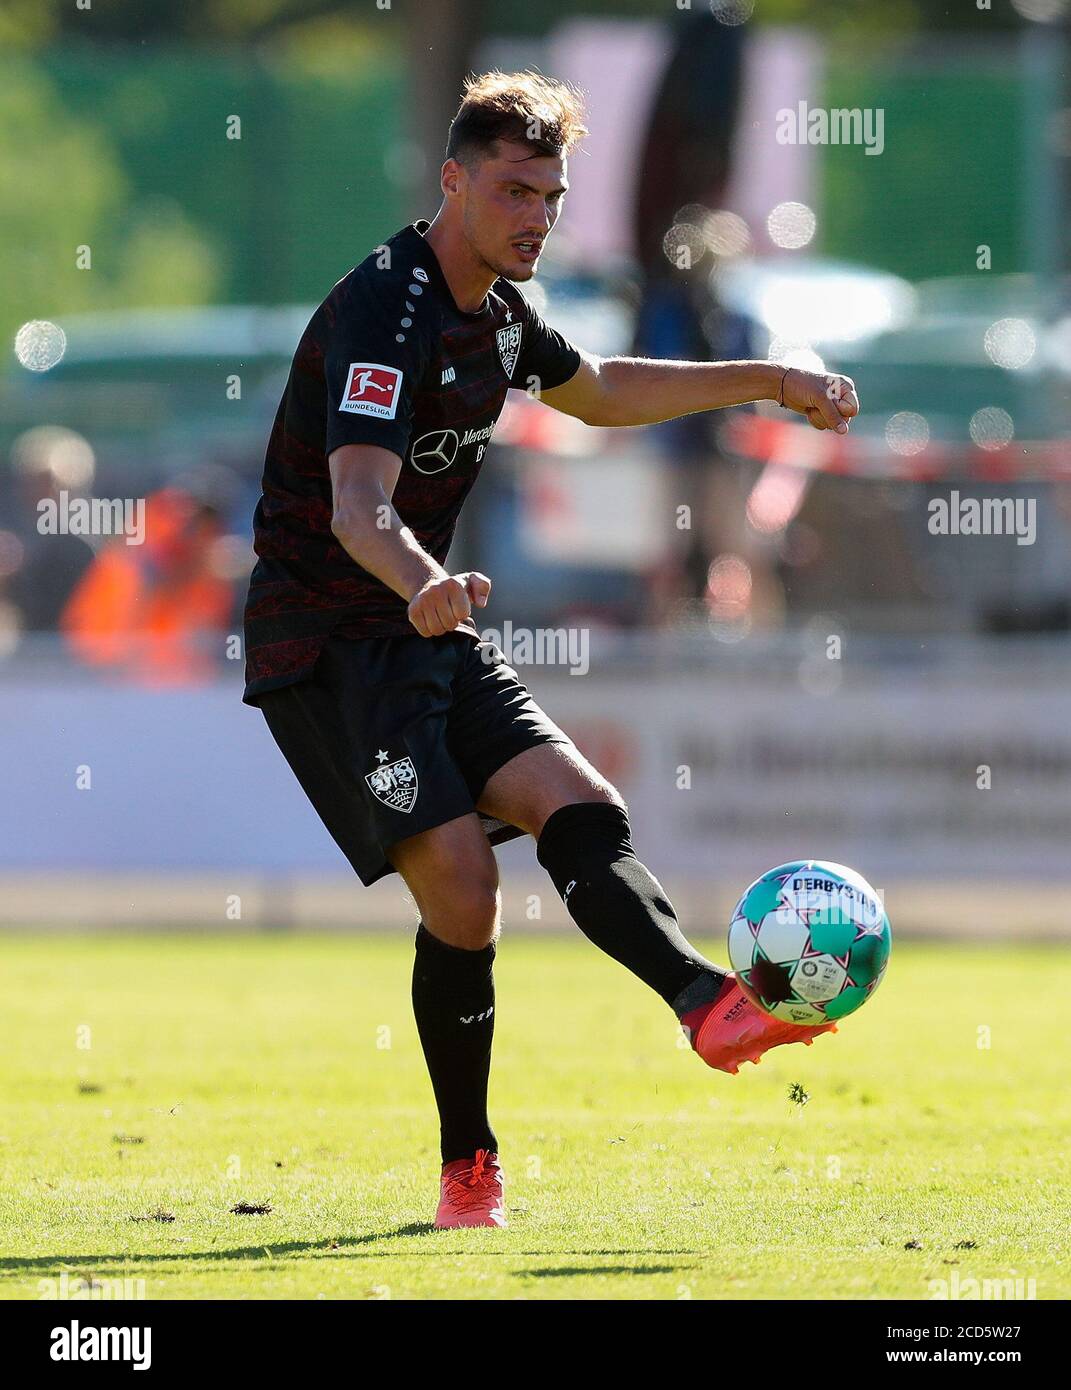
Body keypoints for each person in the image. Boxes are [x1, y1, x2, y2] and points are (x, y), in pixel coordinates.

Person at [242, 71, 859, 1229]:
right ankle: (467, 1164)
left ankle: (704, 1000)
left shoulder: (501, 315)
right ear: (455, 181)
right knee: (466, 895)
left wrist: (771, 380)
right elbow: (355, 505)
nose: (535, 215)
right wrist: (426, 584)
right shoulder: (390, 308)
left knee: (579, 805)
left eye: (553, 196)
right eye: (515, 190)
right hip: (330, 642)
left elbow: (606, 390)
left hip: (426, 620)